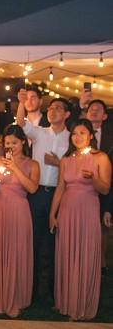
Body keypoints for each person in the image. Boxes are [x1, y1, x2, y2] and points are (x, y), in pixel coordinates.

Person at [50, 119, 111, 320]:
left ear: (91, 136)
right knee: (67, 253)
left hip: (88, 210)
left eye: (82, 133)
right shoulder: (66, 159)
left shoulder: (100, 158)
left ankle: (82, 303)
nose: (78, 137)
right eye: (74, 133)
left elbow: (106, 189)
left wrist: (93, 178)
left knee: (84, 253)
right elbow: (60, 188)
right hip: (67, 211)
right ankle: (66, 301)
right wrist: (53, 214)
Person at [16, 92, 70, 303]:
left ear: (66, 114)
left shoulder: (71, 138)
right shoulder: (40, 133)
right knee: (34, 242)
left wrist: (60, 164)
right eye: (51, 107)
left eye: (58, 107)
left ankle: (53, 293)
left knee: (54, 244)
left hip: (59, 195)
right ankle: (32, 291)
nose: (52, 110)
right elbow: (20, 123)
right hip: (37, 194)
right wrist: (21, 103)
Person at [0, 124, 40, 317]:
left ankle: (17, 298)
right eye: (7, 142)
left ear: (23, 142)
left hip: (19, 210)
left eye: (14, 142)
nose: (11, 146)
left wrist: (15, 167)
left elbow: (32, 188)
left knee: (17, 251)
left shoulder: (32, 164)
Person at [85, 99, 113, 275]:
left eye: (98, 109)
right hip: (82, 188)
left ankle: (101, 263)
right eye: (91, 108)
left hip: (104, 188)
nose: (94, 111)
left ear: (104, 116)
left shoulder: (110, 137)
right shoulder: (78, 133)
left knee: (102, 228)